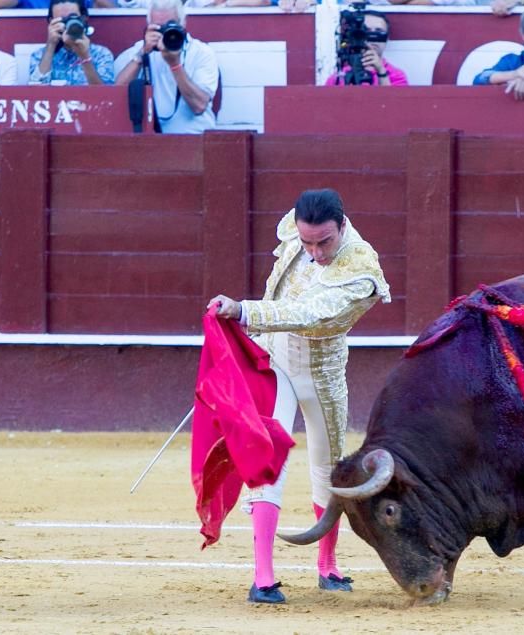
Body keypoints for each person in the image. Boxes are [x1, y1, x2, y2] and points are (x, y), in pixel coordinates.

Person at [207, 188, 391, 604]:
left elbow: (310, 312)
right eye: (307, 242)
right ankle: (263, 576)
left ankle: (327, 566)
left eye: (324, 242)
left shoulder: (362, 269)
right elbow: (281, 283)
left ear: (343, 227)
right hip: (275, 364)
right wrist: (250, 331)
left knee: (330, 467)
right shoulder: (299, 226)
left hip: (323, 372)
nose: (314, 252)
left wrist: (246, 312)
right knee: (266, 457)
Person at [114, 0, 219, 134]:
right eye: (158, 27)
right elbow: (116, 95)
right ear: (148, 25)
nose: (164, 32)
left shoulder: (201, 52)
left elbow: (199, 106)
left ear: (183, 23)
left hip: (194, 136)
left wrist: (175, 65)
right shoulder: (139, 50)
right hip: (152, 141)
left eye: (170, 25)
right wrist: (141, 55)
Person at [28, 0, 113, 85]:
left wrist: (85, 57)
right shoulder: (38, 55)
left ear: (84, 18)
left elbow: (105, 95)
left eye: (73, 18)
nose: (68, 23)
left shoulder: (101, 54)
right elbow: (35, 93)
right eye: (63, 20)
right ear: (51, 22)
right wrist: (51, 45)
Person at [325, 10, 408, 86]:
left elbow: (393, 101)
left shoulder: (396, 75)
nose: (372, 37)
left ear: (387, 37)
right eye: (367, 31)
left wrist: (381, 72)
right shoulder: (340, 76)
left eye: (378, 31)